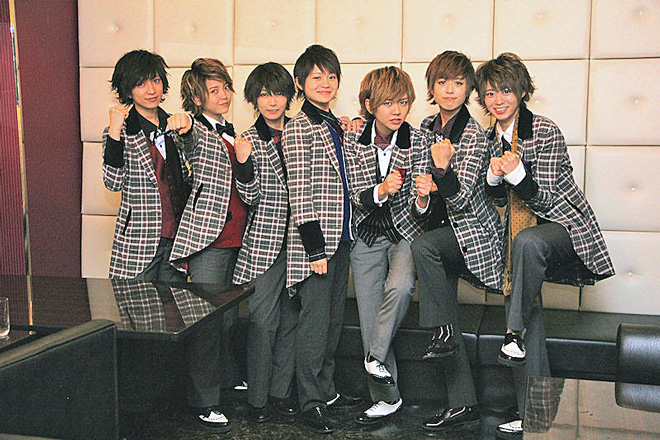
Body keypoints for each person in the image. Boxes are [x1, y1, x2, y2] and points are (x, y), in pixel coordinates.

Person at [475, 52, 615, 438]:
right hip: (521, 244)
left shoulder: (544, 130)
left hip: (563, 229)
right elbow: (498, 202)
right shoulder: (488, 139)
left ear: (522, 91)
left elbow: (549, 200)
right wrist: (492, 179)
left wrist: (517, 174)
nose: (498, 100)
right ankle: (535, 418)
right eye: (490, 93)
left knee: (526, 245)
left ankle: (512, 332)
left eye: (506, 90)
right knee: (528, 310)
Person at [410, 50, 504, 432]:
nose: (450, 90)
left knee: (423, 247)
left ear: (468, 89)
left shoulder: (475, 135)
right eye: (442, 82)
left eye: (459, 83)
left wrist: (441, 170)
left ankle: (443, 331)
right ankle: (463, 403)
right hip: (438, 233)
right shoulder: (425, 128)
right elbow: (419, 196)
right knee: (443, 310)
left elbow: (463, 199)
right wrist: (421, 196)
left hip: (472, 236)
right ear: (432, 87)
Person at [282, 44, 362, 434]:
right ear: (300, 83)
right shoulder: (299, 126)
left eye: (331, 76)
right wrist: (315, 248)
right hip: (315, 245)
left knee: (332, 324)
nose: (326, 83)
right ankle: (310, 401)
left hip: (342, 237)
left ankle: (326, 392)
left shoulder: (334, 124)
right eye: (316, 77)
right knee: (314, 326)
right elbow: (300, 192)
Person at [343, 66, 428, 424]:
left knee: (401, 285)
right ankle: (387, 398)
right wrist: (381, 190)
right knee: (370, 315)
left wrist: (422, 198)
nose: (397, 110)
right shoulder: (352, 139)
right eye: (388, 103)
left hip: (406, 231)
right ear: (370, 105)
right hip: (367, 233)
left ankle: (374, 357)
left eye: (404, 102)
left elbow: (422, 206)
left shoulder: (419, 140)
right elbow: (354, 194)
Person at [170, 57, 250, 433]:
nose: (224, 95)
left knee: (228, 318)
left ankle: (225, 381)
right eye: (214, 90)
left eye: (226, 87)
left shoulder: (232, 131)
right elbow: (186, 142)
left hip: (239, 238)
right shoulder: (198, 130)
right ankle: (204, 401)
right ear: (197, 99)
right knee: (206, 321)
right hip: (210, 239)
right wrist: (184, 125)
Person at [232, 62, 298, 423]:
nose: (272, 101)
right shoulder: (247, 139)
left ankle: (280, 393)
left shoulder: (301, 132)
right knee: (262, 322)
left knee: (291, 321)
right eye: (264, 94)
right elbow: (250, 196)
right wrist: (243, 163)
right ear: (254, 99)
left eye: (278, 93)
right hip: (264, 242)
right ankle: (257, 400)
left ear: (289, 96)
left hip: (302, 242)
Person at [103, 49, 192, 282]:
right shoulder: (120, 132)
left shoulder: (175, 126)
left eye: (156, 80)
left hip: (178, 241)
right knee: (137, 304)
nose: (151, 90)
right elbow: (112, 183)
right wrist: (114, 133)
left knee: (175, 304)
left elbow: (189, 176)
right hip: (138, 242)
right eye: (140, 84)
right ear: (128, 90)